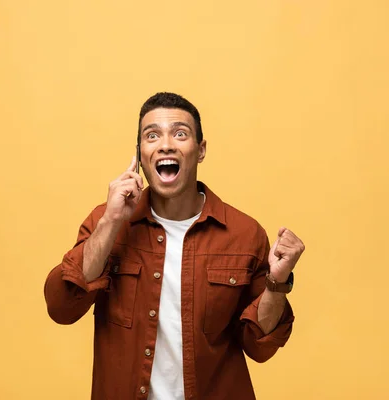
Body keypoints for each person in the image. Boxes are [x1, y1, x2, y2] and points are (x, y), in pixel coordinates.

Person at [44, 92, 305, 400]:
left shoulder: (244, 234)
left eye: (180, 134)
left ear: (201, 150)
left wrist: (277, 284)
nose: (166, 144)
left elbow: (258, 346)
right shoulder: (107, 221)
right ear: (140, 154)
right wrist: (111, 222)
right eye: (151, 136)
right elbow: (62, 307)